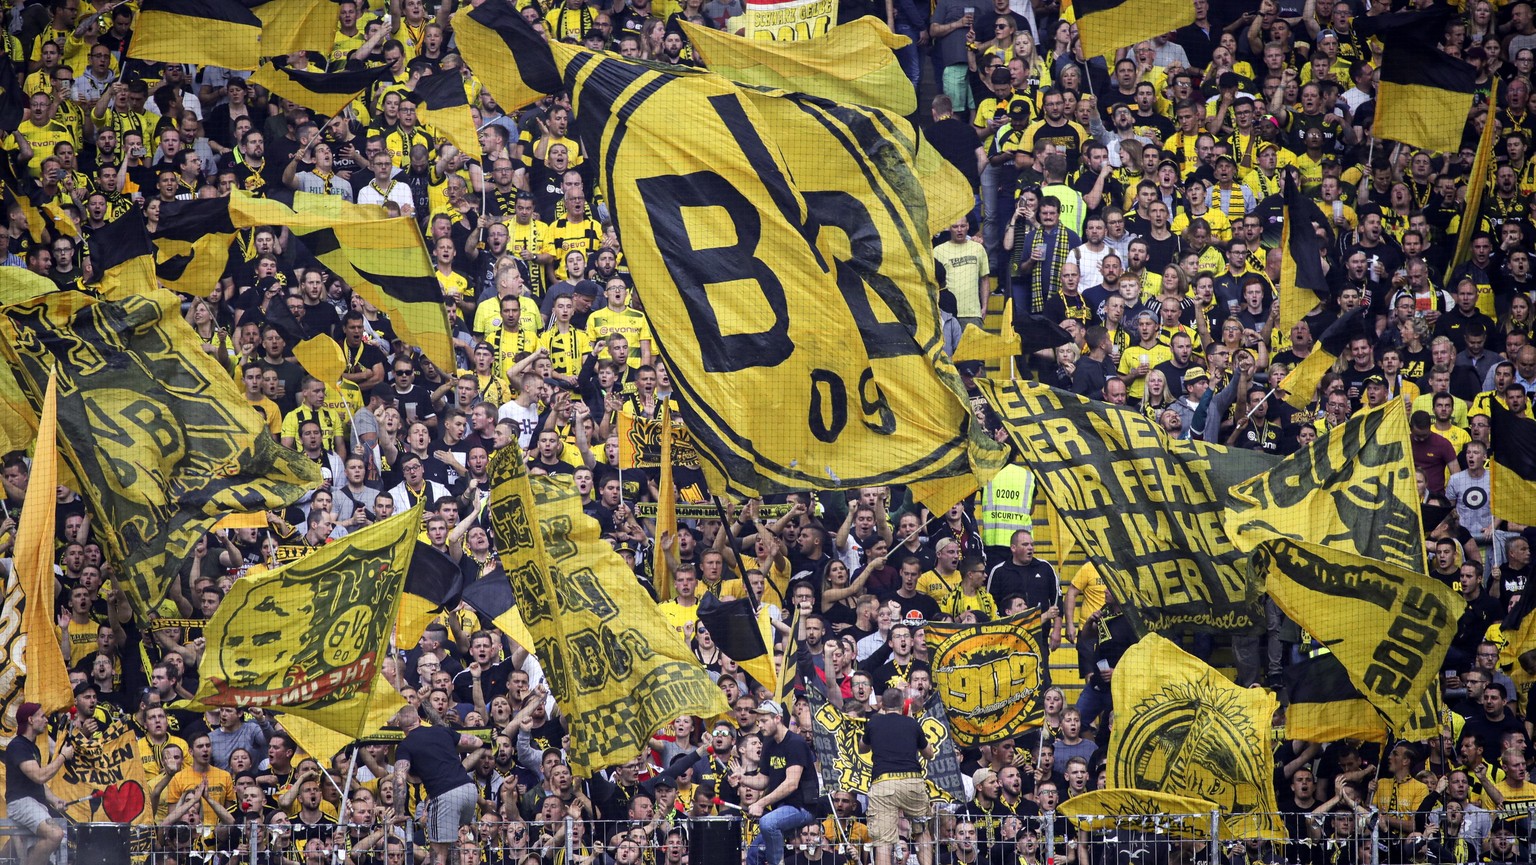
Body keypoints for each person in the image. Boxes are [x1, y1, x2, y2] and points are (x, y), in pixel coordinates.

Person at [392, 705, 487, 865]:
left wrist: (399, 813)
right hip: (470, 791)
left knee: (438, 855)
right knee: (450, 845)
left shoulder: (405, 746)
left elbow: (400, 780)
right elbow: (477, 742)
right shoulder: (442, 731)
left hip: (445, 796)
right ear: (420, 719)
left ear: (399, 726)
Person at [862, 688, 936, 865]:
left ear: (882, 705)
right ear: (903, 704)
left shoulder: (874, 722)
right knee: (921, 829)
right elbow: (929, 754)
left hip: (884, 784)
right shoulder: (911, 723)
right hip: (912, 782)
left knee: (883, 841)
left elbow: (861, 748)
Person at [746, 701, 819, 865]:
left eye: (764, 721)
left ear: (777, 718)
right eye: (758, 722)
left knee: (767, 822)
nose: (760, 725)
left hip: (802, 807)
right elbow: (763, 780)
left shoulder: (795, 743)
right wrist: (741, 779)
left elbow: (792, 783)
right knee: (754, 853)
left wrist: (761, 803)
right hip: (781, 808)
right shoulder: (769, 743)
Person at [5, 702, 71, 865]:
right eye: (42, 716)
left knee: (34, 852)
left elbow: (37, 783)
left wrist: (54, 800)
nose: (47, 720)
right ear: (30, 720)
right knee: (55, 834)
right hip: (22, 804)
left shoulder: (32, 748)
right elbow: (39, 776)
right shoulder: (18, 746)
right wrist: (62, 756)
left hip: (35, 804)